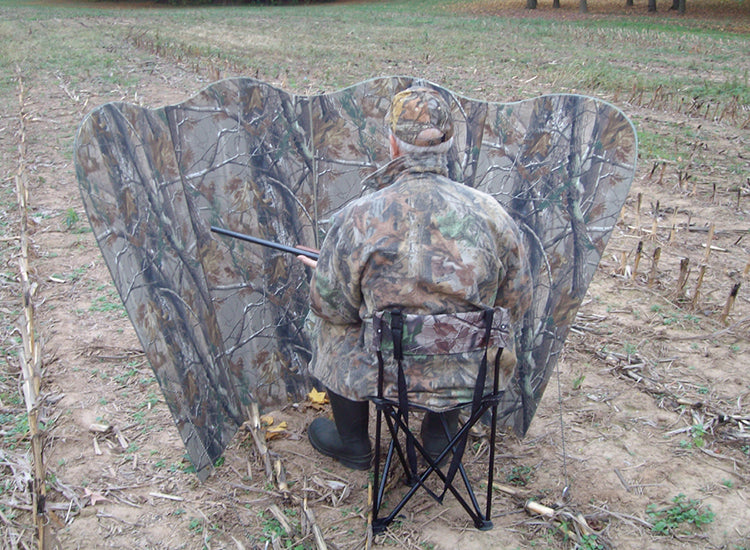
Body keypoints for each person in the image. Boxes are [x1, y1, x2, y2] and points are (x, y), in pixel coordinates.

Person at [298, 87, 531, 470]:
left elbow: (331, 306)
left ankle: (352, 441)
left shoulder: (360, 216)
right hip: (470, 373)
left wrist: (329, 273)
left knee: (332, 327)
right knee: (468, 329)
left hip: (386, 372)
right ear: (448, 144)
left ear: (392, 144)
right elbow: (516, 304)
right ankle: (440, 440)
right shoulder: (492, 214)